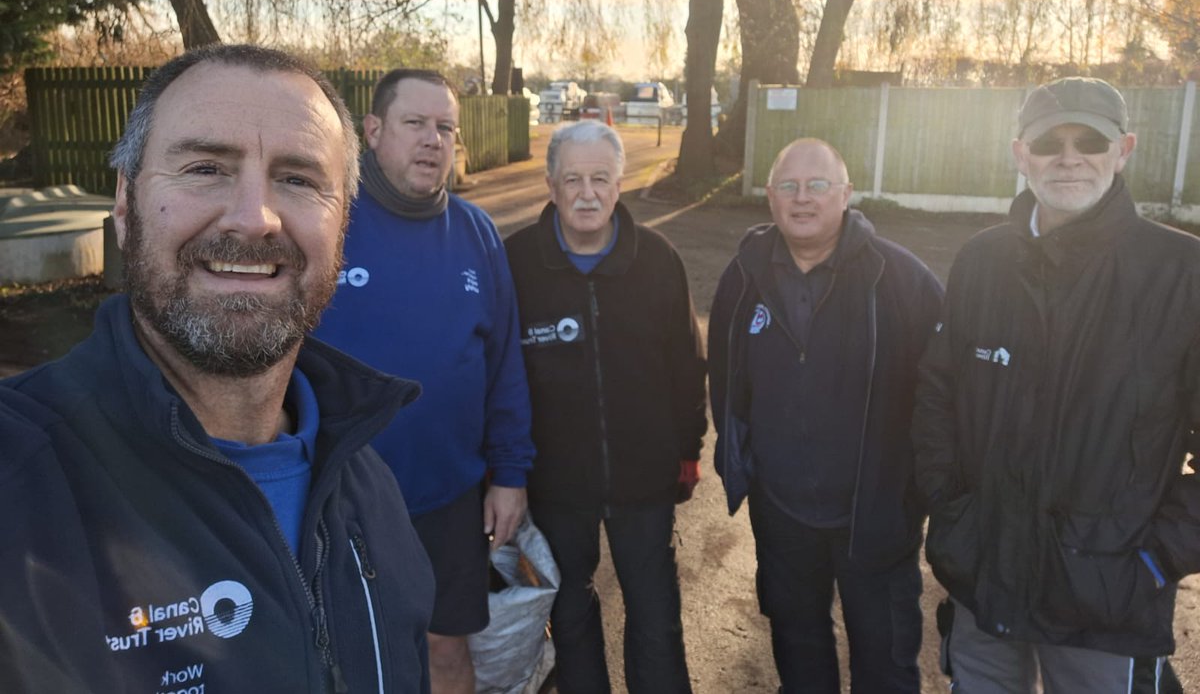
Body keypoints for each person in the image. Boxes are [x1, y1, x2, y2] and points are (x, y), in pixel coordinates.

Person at [0, 45, 434, 692]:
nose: (254, 218)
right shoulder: (20, 488)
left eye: (298, 179)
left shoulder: (369, 492)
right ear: (126, 202)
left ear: (342, 221)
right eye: (204, 167)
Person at [912, 77, 1200, 692]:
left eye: (1089, 140)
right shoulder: (981, 261)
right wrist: (953, 514)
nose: (1068, 157)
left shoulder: (1182, 275)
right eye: (1049, 142)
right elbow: (937, 398)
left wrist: (1155, 559)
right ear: (1021, 154)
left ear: (1123, 149)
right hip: (984, 579)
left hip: (1107, 602)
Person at [314, 68, 534, 694]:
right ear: (374, 130)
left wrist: (510, 474)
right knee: (347, 653)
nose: (432, 140)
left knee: (445, 648)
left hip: (448, 497)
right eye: (415, 124)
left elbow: (504, 367)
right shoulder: (328, 226)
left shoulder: (476, 233)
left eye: (445, 128)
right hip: (339, 501)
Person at [708, 137, 943, 694]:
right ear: (770, 197)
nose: (803, 199)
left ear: (847, 195)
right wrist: (742, 466)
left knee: (885, 668)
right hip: (783, 515)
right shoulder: (742, 280)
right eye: (789, 186)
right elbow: (726, 381)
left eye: (818, 186)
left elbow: (942, 396)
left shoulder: (903, 281)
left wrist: (919, 491)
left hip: (877, 519)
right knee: (800, 657)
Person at [504, 120, 706, 694]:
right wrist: (506, 468)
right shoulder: (517, 264)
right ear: (550, 185)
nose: (587, 193)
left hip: (645, 478)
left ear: (620, 186)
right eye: (573, 179)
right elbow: (497, 375)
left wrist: (689, 449)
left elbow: (687, 364)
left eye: (600, 179)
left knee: (655, 613)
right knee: (569, 612)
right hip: (555, 479)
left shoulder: (659, 260)